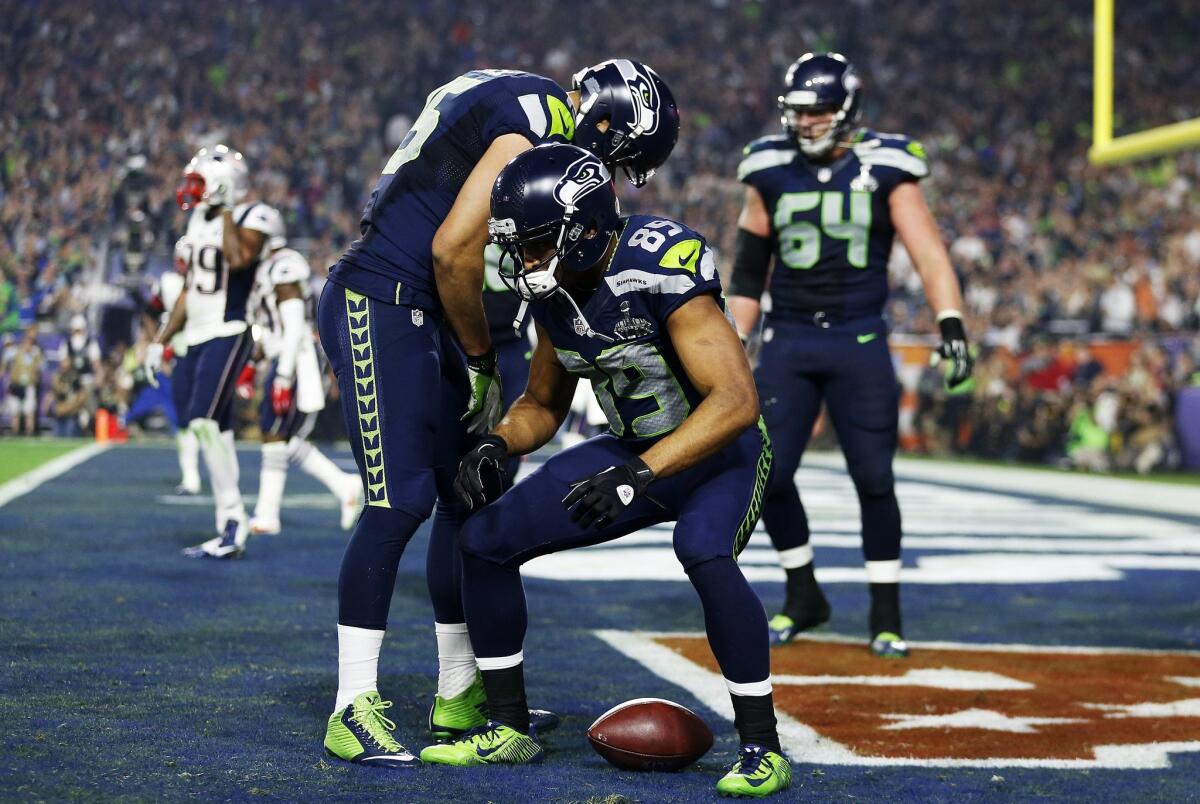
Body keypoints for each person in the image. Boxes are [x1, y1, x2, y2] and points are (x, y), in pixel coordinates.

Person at [317, 63, 679, 768]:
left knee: (466, 492)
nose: (610, 177)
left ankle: (459, 691)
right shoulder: (539, 117)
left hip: (427, 305)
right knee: (400, 501)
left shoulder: (521, 95)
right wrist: (482, 360)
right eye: (623, 158)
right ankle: (350, 704)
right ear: (605, 121)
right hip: (383, 297)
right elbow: (453, 247)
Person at [419, 144, 792, 799]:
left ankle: (763, 746)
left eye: (538, 245)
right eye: (520, 247)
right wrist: (499, 444)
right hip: (634, 452)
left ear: (585, 229)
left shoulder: (659, 264)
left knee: (702, 548)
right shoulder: (556, 291)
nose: (527, 263)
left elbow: (735, 402)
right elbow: (542, 403)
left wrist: (638, 474)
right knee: (482, 540)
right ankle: (509, 727)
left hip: (716, 455)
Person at [727, 53, 974, 657]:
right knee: (770, 473)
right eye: (799, 112)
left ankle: (885, 614)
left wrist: (951, 324)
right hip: (789, 338)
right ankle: (803, 592)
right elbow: (748, 275)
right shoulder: (766, 167)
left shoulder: (887, 165)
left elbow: (929, 254)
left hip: (859, 338)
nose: (806, 123)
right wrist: (730, 345)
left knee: (872, 477)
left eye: (818, 112)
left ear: (847, 110)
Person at [145, 144, 283, 559]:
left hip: (231, 328)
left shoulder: (254, 215)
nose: (194, 190)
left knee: (204, 420)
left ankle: (233, 519)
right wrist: (161, 338)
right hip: (199, 332)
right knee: (209, 425)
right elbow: (189, 290)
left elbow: (240, 258)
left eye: (202, 182)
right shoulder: (196, 220)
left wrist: (224, 209)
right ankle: (229, 523)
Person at [246, 221, 362, 536]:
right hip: (285, 357)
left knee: (275, 434)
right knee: (285, 439)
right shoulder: (267, 267)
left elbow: (294, 324)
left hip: (295, 361)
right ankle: (343, 484)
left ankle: (267, 514)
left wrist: (283, 375)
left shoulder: (283, 265)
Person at [141, 237, 201, 494]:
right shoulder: (168, 283)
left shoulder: (212, 280)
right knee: (185, 417)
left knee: (208, 417)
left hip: (208, 349)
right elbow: (149, 313)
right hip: (182, 354)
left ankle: (210, 475)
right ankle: (190, 475)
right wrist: (158, 344)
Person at [5, 327, 44, 435]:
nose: (27, 346)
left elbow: (42, 366)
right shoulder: (15, 353)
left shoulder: (35, 354)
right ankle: (15, 431)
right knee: (15, 411)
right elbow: (6, 359)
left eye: (29, 343)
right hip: (16, 384)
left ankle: (29, 432)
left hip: (29, 385)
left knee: (29, 411)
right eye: (26, 343)